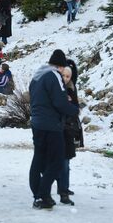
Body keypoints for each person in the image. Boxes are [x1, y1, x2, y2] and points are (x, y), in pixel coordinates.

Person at [29, 49, 79, 210]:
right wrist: (74, 109)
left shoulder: (38, 75)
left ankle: (38, 195)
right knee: (57, 161)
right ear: (60, 66)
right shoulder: (54, 76)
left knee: (38, 159)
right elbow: (60, 102)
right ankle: (44, 194)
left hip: (37, 123)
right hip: (51, 125)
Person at [55, 66, 83, 206]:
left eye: (68, 76)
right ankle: (60, 189)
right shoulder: (56, 88)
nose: (65, 78)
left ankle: (64, 189)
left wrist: (70, 104)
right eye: (64, 75)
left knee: (66, 161)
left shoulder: (71, 89)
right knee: (57, 162)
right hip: (57, 128)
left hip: (68, 129)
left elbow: (76, 109)